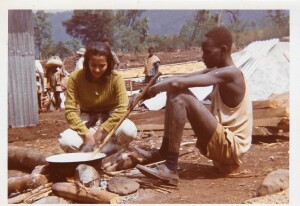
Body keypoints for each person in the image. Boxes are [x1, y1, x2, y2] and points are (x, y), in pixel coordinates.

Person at [134, 26, 253, 186]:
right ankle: (164, 151)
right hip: (222, 143)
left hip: (231, 148)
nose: (203, 56)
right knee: (173, 92)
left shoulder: (232, 74)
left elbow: (178, 83)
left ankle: (171, 167)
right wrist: (145, 91)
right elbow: (181, 77)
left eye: (207, 52)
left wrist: (150, 93)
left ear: (223, 50)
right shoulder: (217, 70)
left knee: (180, 96)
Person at [59, 42, 137, 155]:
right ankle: (88, 155)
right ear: (86, 63)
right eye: (93, 65)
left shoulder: (116, 78)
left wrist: (103, 129)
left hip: (111, 117)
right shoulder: (75, 78)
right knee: (66, 141)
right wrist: (86, 134)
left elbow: (122, 108)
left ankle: (114, 151)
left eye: (102, 66)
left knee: (129, 131)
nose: (97, 70)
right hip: (88, 120)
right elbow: (70, 111)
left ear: (109, 64)